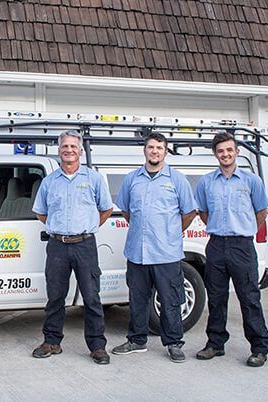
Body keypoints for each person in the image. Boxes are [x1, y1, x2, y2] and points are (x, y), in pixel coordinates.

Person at [31, 130, 114, 365]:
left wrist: (88, 226)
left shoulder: (93, 178)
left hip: (85, 245)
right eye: (65, 146)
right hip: (57, 245)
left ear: (79, 150)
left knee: (91, 296)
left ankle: (97, 346)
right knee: (55, 297)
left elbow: (106, 208)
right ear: (59, 151)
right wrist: (59, 228)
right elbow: (41, 212)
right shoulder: (49, 182)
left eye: (73, 147)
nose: (69, 150)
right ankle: (52, 341)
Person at [113, 132, 196, 363]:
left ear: (165, 151)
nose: (155, 151)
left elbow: (189, 212)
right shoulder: (132, 179)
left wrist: (171, 233)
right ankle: (137, 340)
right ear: (145, 150)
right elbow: (127, 211)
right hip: (137, 253)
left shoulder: (177, 180)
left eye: (159, 147)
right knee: (138, 299)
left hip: (166, 253)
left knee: (170, 300)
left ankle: (173, 343)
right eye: (151, 147)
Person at [194, 131, 268, 367]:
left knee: (249, 297)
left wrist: (244, 229)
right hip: (216, 244)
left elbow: (261, 212)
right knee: (216, 298)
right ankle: (215, 344)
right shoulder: (206, 182)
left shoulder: (251, 181)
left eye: (229, 150)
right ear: (215, 154)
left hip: (242, 246)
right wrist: (220, 229)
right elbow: (203, 212)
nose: (225, 154)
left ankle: (259, 347)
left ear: (236, 152)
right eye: (220, 151)